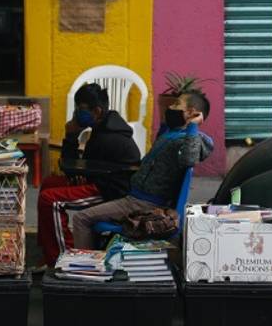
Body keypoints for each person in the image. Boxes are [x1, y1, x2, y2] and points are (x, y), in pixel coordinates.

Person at [63, 90, 213, 250]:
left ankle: (85, 269)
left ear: (192, 113)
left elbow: (189, 159)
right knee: (91, 214)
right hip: (135, 198)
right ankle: (97, 259)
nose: (171, 106)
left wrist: (193, 126)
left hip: (142, 204)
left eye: (177, 104)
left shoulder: (191, 140)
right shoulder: (172, 134)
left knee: (81, 218)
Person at [37, 83, 140, 265]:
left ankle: (61, 258)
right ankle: (46, 246)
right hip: (100, 179)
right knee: (49, 183)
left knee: (50, 200)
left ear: (97, 111)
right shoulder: (105, 126)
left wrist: (70, 136)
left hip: (111, 191)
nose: (77, 113)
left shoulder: (109, 137)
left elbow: (71, 168)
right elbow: (77, 169)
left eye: (81, 109)